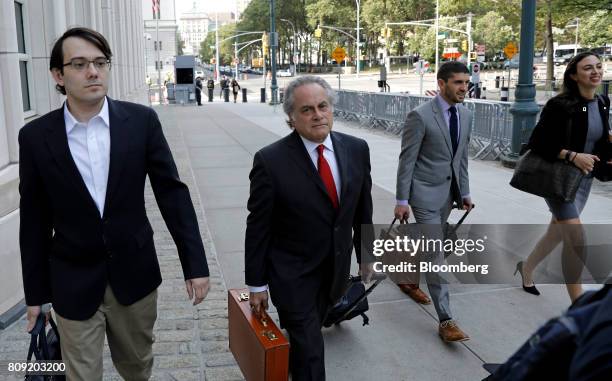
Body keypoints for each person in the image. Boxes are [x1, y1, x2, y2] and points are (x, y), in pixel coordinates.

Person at [18, 27, 210, 380]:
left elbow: (172, 194)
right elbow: (33, 221)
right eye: (79, 64)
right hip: (72, 280)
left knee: (137, 367)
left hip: (134, 276)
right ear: (58, 75)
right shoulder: (35, 137)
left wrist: (194, 264)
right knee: (82, 375)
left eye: (100, 62)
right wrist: (36, 296)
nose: (93, 72)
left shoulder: (141, 122)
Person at [246, 75, 374, 380]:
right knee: (311, 349)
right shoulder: (270, 160)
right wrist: (256, 284)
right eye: (306, 110)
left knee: (306, 342)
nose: (317, 114)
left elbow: (361, 209)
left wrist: (366, 254)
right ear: (291, 118)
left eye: (322, 106)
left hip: (335, 274)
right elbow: (258, 226)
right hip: (292, 275)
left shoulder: (357, 149)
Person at [517, 52, 611, 302]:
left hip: (584, 179)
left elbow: (597, 140)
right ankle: (577, 301)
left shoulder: (601, 101)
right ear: (573, 75)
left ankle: (526, 267)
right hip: (559, 178)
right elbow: (537, 142)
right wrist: (571, 156)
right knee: (576, 236)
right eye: (588, 68)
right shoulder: (561, 105)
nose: (596, 72)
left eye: (599, 67)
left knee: (556, 233)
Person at [394, 61, 474, 343]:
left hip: (448, 196)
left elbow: (461, 158)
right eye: (458, 82)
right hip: (424, 194)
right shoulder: (420, 116)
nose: (464, 87)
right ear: (441, 84)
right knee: (435, 254)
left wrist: (464, 192)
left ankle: (407, 278)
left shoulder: (466, 114)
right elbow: (408, 160)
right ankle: (446, 319)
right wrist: (402, 199)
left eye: (466, 82)